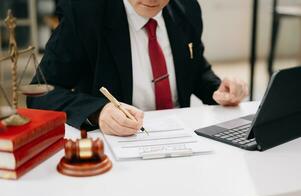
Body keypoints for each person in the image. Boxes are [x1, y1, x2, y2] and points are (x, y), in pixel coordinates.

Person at [27, 0, 248, 136]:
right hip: (117, 148)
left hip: (181, 140)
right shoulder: (85, 13)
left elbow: (196, 69)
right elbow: (39, 92)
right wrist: (97, 112)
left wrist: (218, 89)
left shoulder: (187, 8)